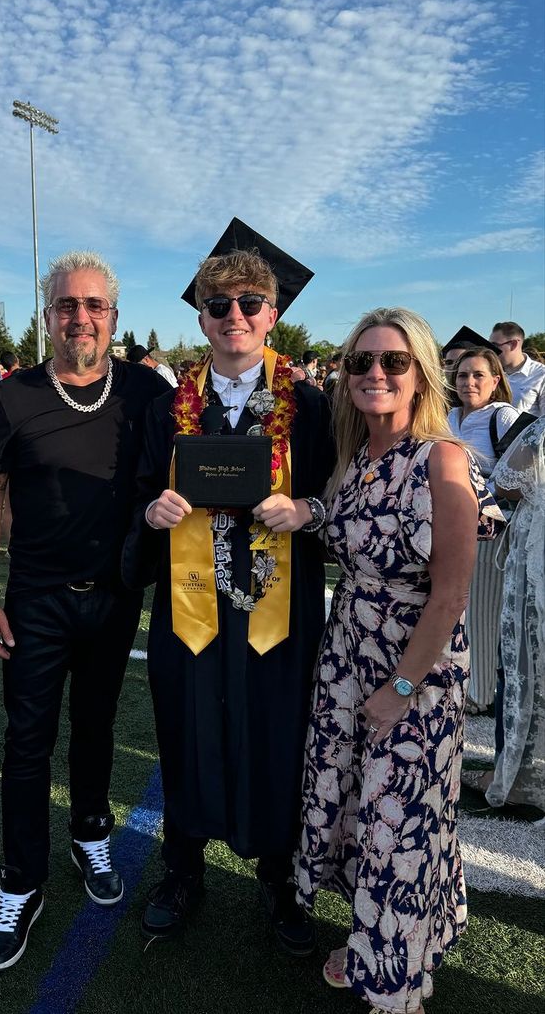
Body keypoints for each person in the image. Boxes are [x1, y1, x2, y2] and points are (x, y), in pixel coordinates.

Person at [123, 234, 334, 953]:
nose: (233, 317)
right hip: (193, 609)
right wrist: (150, 514)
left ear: (272, 315)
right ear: (201, 319)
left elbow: (342, 498)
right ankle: (181, 870)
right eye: (218, 306)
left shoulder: (311, 408)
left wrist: (306, 509)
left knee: (280, 733)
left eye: (249, 304)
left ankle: (280, 877)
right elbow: (138, 492)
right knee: (186, 730)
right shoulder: (166, 409)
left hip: (279, 612)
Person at [295, 307, 502, 1014]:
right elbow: (350, 524)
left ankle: (391, 980)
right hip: (347, 649)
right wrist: (305, 513)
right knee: (366, 805)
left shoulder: (441, 457)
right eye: (361, 362)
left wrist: (402, 685)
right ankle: (405, 931)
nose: (375, 374)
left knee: (397, 818)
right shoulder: (356, 453)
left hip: (412, 665)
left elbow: (448, 592)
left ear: (419, 374)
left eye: (392, 361)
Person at [0, 250, 166, 972]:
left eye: (93, 305)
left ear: (112, 315)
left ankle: (88, 830)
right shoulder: (14, 395)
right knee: (27, 741)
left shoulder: (146, 390)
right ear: (46, 315)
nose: (79, 316)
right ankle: (21, 879)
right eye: (65, 305)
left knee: (97, 726)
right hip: (36, 600)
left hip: (114, 597)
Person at [448, 347, 517, 713]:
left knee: (483, 608)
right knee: (456, 603)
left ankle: (482, 692)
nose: (469, 382)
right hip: (452, 523)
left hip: (492, 525)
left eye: (477, 375)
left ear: (495, 380)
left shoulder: (503, 416)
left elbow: (526, 469)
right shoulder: (449, 415)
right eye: (462, 375)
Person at [484, 417, 545, 814]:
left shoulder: (540, 430)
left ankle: (520, 772)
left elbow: (506, 481)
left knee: (526, 658)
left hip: (536, 552)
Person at [490, 321, 545, 416]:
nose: (491, 351)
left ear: (514, 344)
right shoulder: (490, 373)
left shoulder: (541, 375)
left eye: (495, 346)